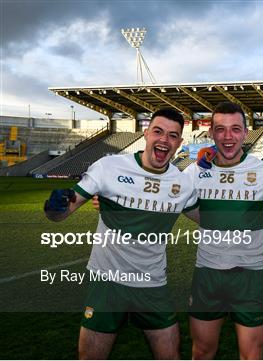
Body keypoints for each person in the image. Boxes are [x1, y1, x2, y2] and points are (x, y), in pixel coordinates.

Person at [44, 108, 198, 359]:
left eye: (172, 136)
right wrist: (55, 206)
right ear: (146, 133)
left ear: (179, 143)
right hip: (107, 281)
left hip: (152, 284)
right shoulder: (109, 167)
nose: (164, 140)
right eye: (158, 132)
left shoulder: (183, 184)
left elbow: (210, 220)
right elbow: (61, 213)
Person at [184, 101, 263, 360]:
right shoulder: (195, 171)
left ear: (246, 133)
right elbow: (171, 200)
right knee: (202, 352)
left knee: (251, 355)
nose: (228, 136)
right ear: (211, 133)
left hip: (251, 277)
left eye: (235, 129)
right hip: (208, 274)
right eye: (220, 129)